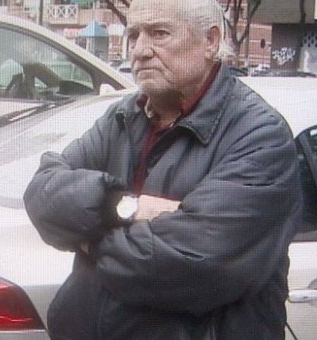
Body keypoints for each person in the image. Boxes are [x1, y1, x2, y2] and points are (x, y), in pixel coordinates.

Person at [23, 0, 303, 339]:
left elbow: (191, 264)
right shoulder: (125, 115)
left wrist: (90, 240)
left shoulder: (260, 135)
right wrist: (123, 205)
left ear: (211, 41)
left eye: (159, 33)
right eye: (134, 35)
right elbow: (43, 193)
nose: (140, 51)